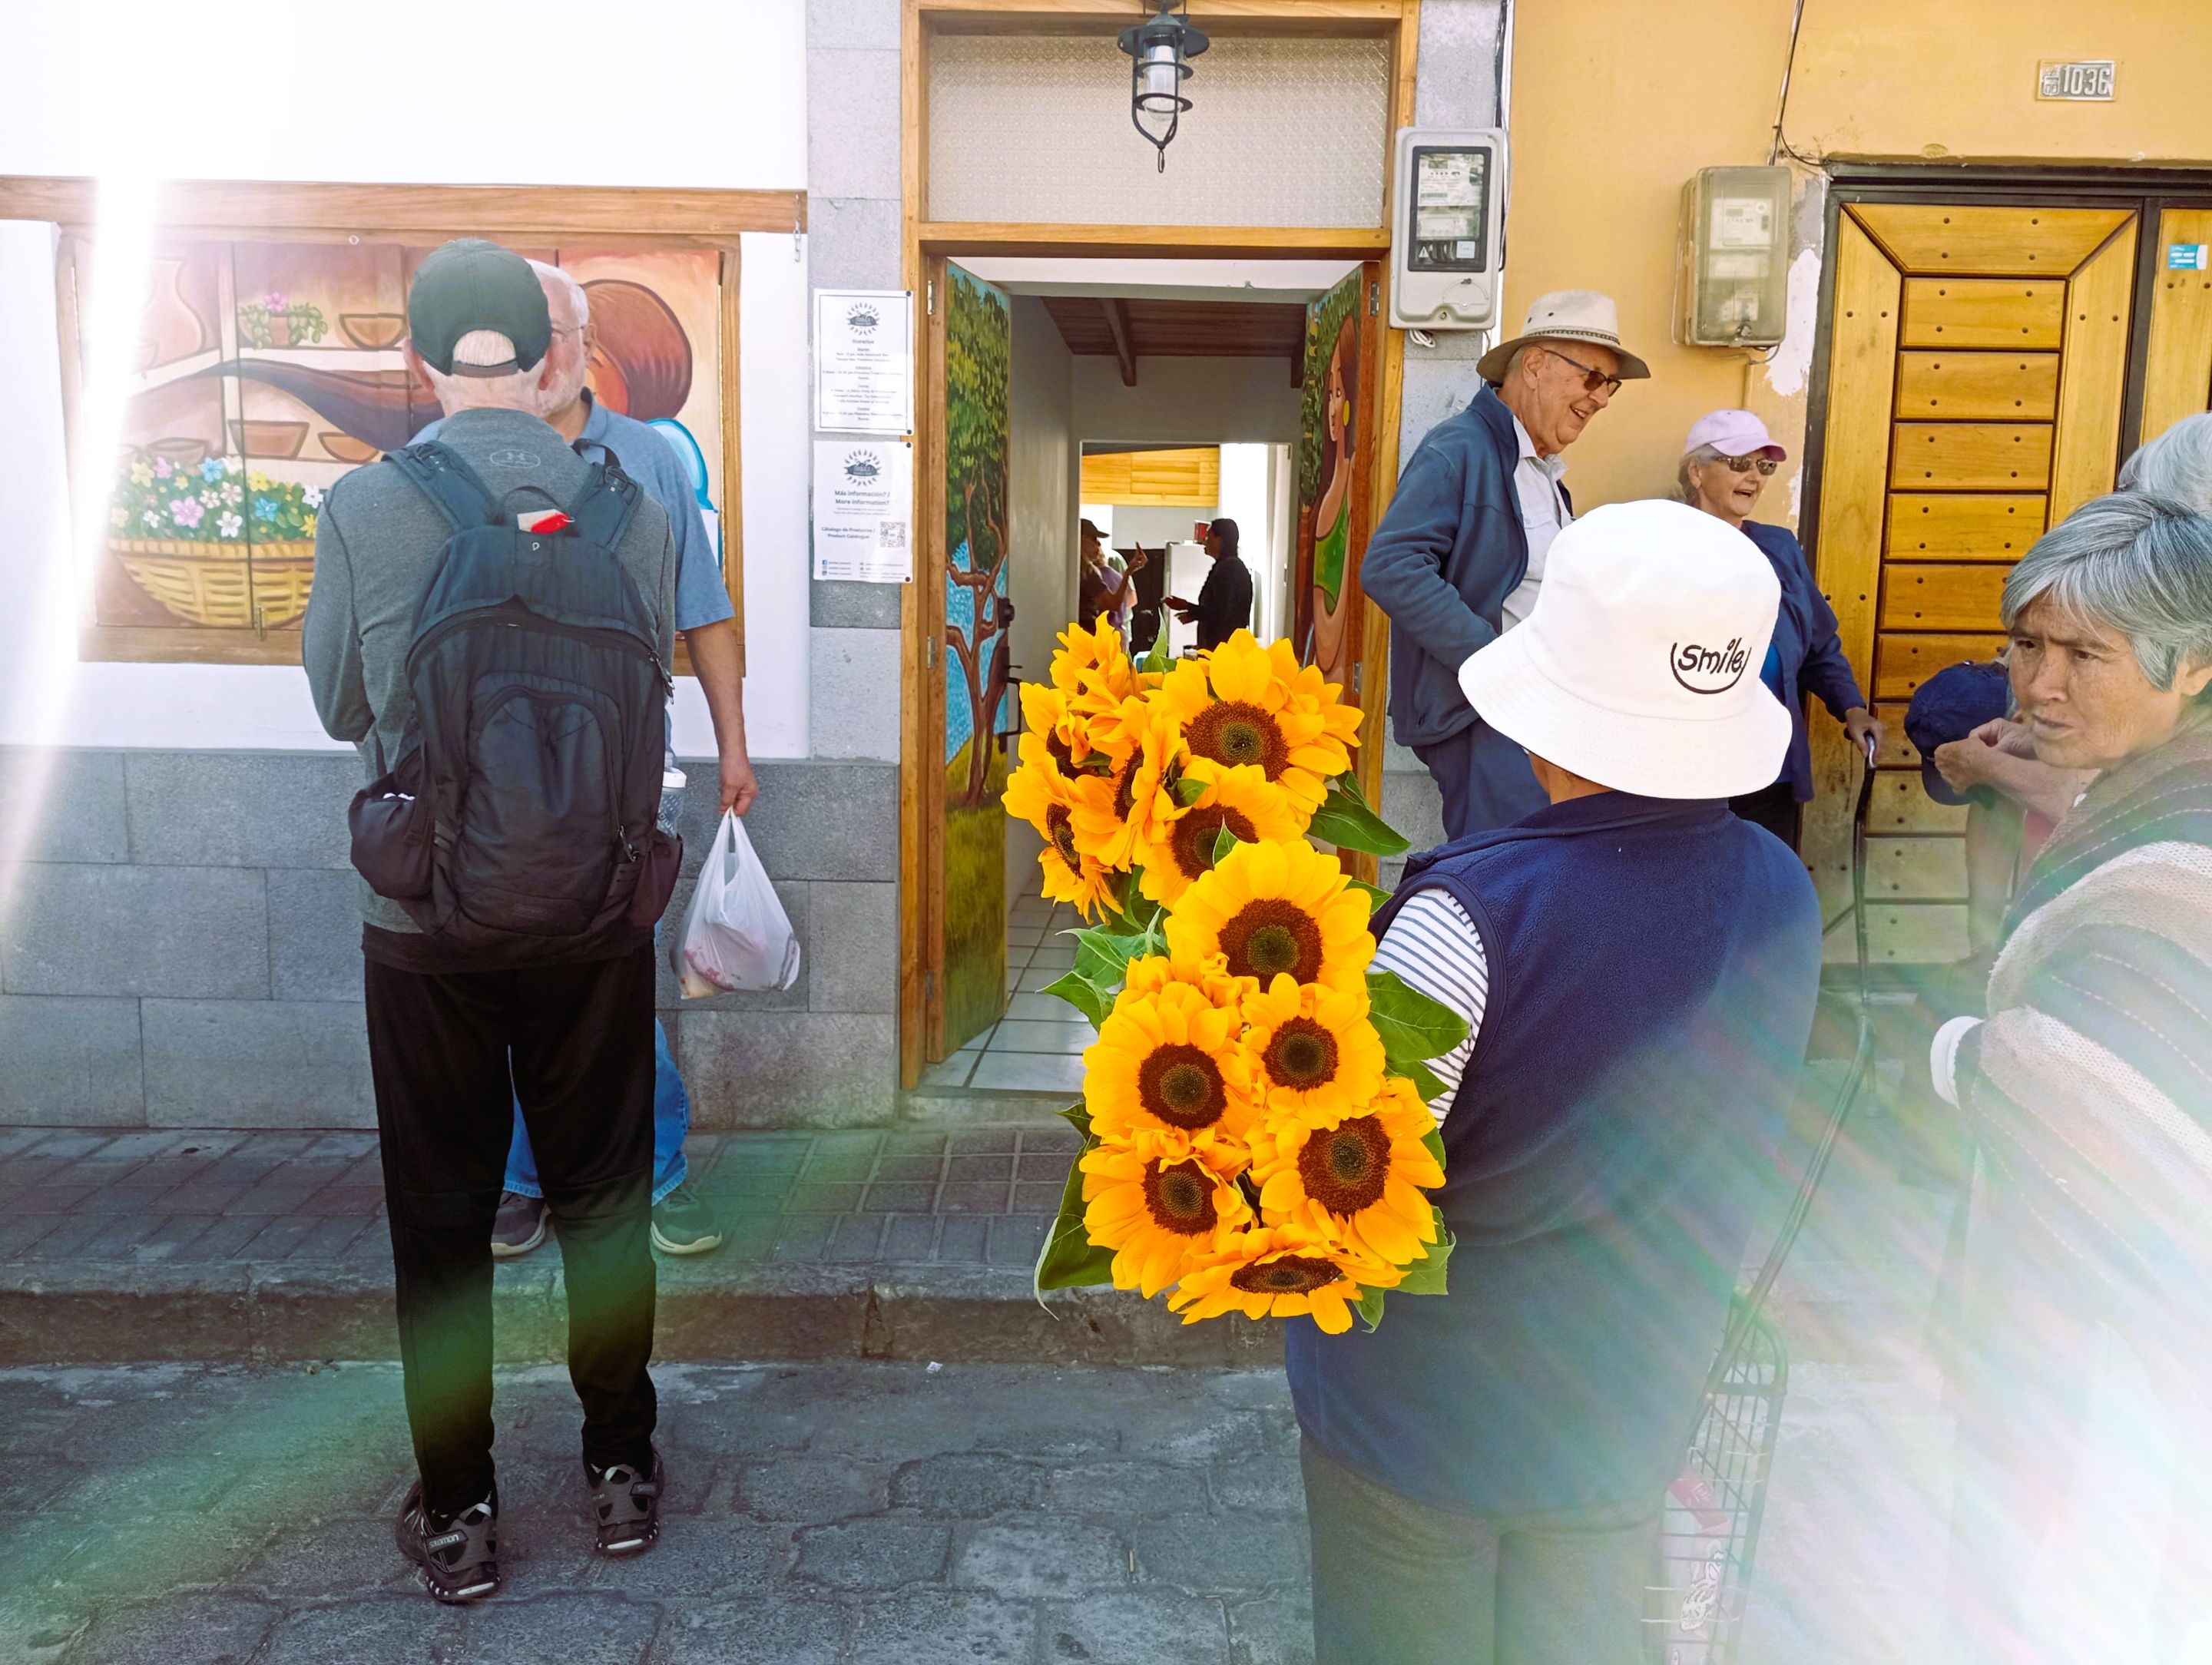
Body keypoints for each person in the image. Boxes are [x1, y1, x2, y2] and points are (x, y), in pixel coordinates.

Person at [1292, 498, 1823, 1665]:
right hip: (1629, 1406)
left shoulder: (1468, 917)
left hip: (1427, 1427)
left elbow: (1341, 1186)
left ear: (1550, 722)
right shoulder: (1784, 894)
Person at [303, 240, 675, 1602]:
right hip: (592, 916)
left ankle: (459, 1510)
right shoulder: (635, 508)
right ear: (554, 358)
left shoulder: (365, 507)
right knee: (605, 1199)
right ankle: (621, 1469)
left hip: (426, 925)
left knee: (444, 1215)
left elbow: (344, 703)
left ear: (418, 362)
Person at [417, 260, 757, 1263]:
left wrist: (734, 743)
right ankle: (529, 1179)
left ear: (580, 344)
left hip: (620, 769)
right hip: (482, 775)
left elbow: (702, 607)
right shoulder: (442, 462)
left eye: (563, 334)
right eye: (534, 336)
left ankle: (653, 1174)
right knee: (515, 975)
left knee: (616, 977)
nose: (550, 357)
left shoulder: (647, 459)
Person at [1932, 493, 2212, 1662]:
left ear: (2191, 665)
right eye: (2028, 644)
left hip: (2121, 1354)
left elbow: (2102, 1104)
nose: (2039, 685)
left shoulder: (2181, 846)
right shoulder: (2135, 786)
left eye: (2085, 655)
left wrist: (1951, 1054)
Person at [1361, 290, 1648, 839]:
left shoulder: (1544, 474)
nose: (1603, 398)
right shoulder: (1460, 448)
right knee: (1501, 880)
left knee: (1521, 877)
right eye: (1593, 377)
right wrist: (1498, 665)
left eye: (1610, 384)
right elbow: (1392, 566)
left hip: (1532, 718)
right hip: (1489, 718)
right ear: (1536, 365)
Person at [1677, 409, 1882, 842]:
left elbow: (1818, 646)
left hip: (1770, 762)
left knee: (1765, 889)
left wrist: (1852, 707)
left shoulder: (1779, 547)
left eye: (1763, 466)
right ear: (1696, 472)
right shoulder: (1665, 544)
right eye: (1738, 463)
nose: (1754, 476)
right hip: (1690, 765)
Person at [1167, 516, 1253, 650]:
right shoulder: (1228, 566)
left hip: (1222, 650)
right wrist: (1193, 613)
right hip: (1221, 647)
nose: (1204, 541)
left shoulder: (1229, 568)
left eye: (1208, 537)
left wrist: (1189, 608)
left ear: (1220, 540)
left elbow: (1224, 614)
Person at [1077, 517, 1146, 632]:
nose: (1098, 544)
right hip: (1088, 632)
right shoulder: (1087, 571)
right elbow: (1113, 604)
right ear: (1082, 540)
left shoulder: (1071, 568)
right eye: (1094, 539)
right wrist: (1128, 572)